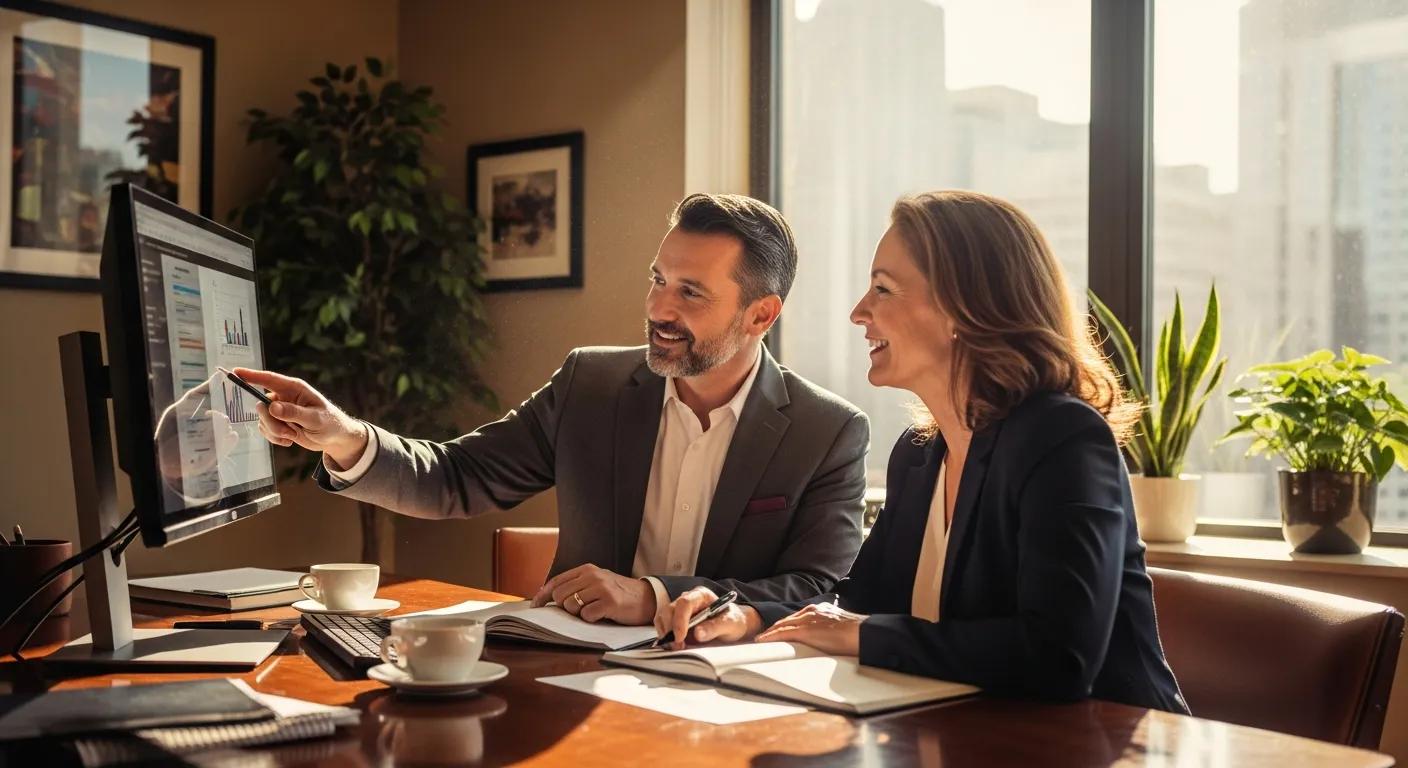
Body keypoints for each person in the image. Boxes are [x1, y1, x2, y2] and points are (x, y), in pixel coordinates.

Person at [661, 190, 1188, 713]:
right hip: (967, 739)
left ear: (965, 307)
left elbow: (1058, 659)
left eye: (883, 290)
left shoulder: (1063, 437)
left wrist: (862, 636)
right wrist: (751, 616)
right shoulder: (919, 455)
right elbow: (855, 606)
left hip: (1112, 744)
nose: (859, 313)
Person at [243, 193, 869, 628]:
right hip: (572, 669)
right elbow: (454, 478)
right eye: (657, 279)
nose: (658, 308)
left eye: (690, 292)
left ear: (761, 314)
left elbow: (818, 590)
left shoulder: (827, 430)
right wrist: (344, 436)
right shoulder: (588, 383)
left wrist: (651, 597)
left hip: (728, 694)